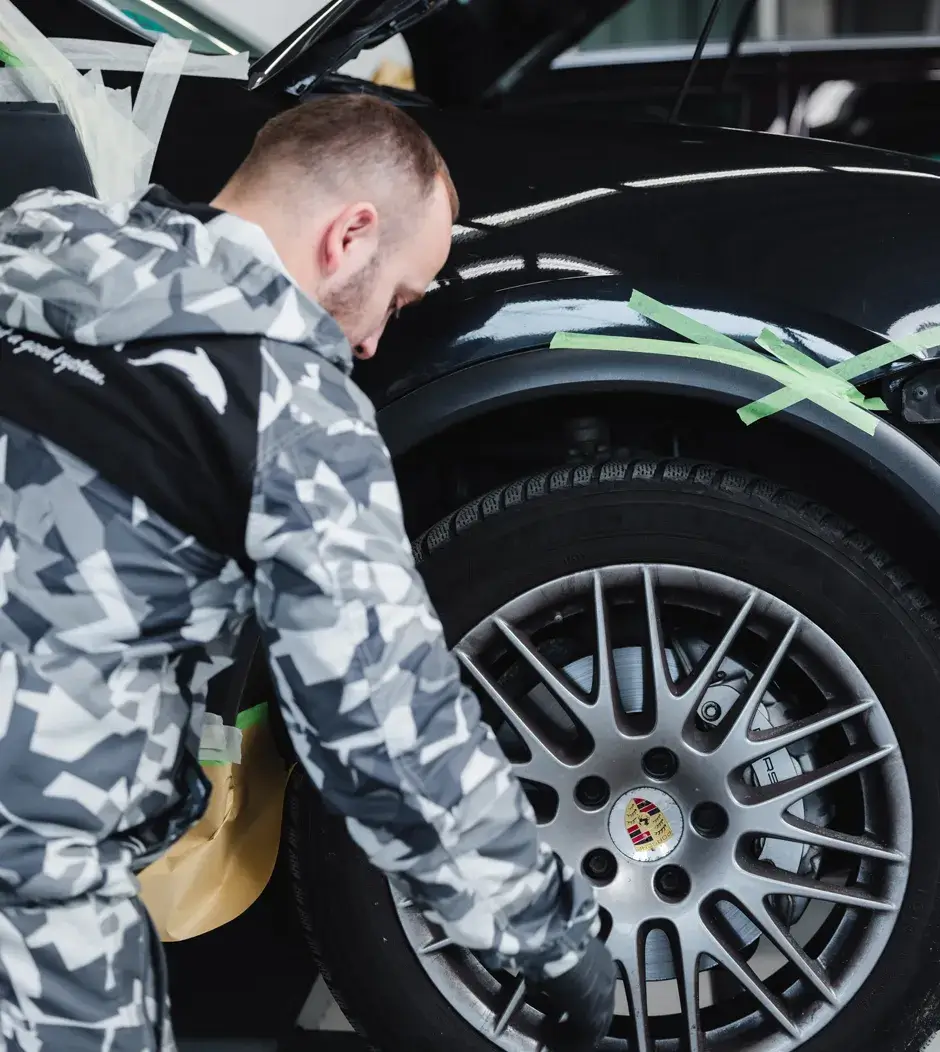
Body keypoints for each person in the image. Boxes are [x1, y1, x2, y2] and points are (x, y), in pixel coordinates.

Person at [0, 94, 616, 1051]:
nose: (373, 341)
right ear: (350, 235)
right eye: (400, 298)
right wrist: (553, 937)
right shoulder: (289, 412)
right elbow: (389, 731)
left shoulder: (28, 239)